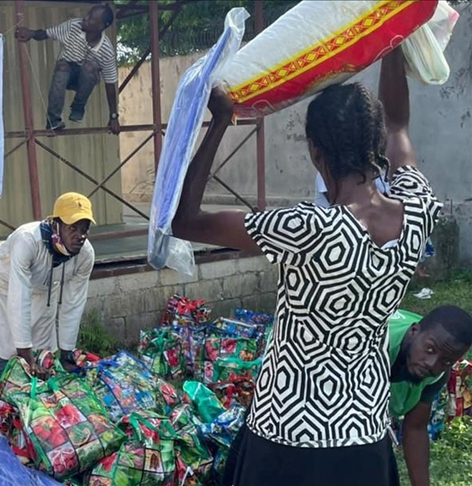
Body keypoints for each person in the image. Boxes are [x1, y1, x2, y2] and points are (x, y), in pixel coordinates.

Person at [171, 46, 441, 486]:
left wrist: (220, 121)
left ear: (316, 153)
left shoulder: (307, 228)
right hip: (365, 435)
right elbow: (399, 124)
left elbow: (186, 220)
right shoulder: (417, 210)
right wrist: (392, 38)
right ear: (376, 147)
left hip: (286, 433)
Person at [0, 192, 96, 381]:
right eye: (73, 228)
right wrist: (24, 354)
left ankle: (39, 393)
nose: (80, 236)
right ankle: (3, 392)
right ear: (56, 225)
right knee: (8, 346)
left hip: (45, 287)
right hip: (6, 285)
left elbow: (73, 303)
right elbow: (18, 298)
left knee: (44, 350)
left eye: (84, 229)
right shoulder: (27, 241)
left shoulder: (85, 255)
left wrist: (67, 352)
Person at [388, 306, 472, 486]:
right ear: (414, 332)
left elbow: (415, 428)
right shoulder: (377, 347)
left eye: (446, 361)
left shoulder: (438, 374)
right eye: (430, 349)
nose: (432, 365)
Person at [16, 3, 120, 134]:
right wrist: (30, 33)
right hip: (65, 75)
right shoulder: (73, 26)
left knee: (90, 66)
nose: (85, 18)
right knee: (62, 66)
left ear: (100, 26)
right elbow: (46, 33)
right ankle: (53, 120)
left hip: (85, 81)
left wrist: (113, 117)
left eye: (90, 18)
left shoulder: (107, 50)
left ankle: (78, 107)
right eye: (88, 14)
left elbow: (110, 84)